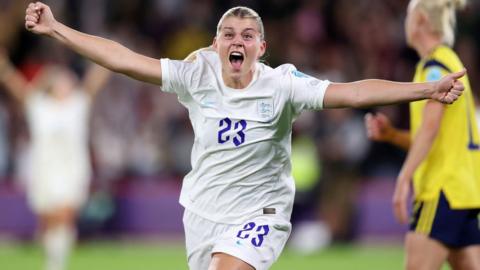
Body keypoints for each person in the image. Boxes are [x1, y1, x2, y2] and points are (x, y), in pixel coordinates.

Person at [24, 3, 466, 270]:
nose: (238, 41)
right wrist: (58, 28)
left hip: (262, 212)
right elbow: (122, 59)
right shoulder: (194, 75)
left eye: (248, 35)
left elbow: (351, 93)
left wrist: (426, 88)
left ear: (262, 48)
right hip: (202, 211)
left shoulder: (282, 85)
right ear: (216, 44)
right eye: (229, 34)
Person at [364, 0, 480, 269]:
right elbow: (432, 138)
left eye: (408, 14)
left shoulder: (434, 67)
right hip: (464, 191)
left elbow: (431, 127)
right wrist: (392, 135)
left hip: (441, 190)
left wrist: (404, 177)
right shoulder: (450, 61)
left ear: (421, 21)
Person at [0, 47, 110, 270]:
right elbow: (19, 88)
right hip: (44, 168)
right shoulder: (39, 106)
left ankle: (56, 264)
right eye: (59, 82)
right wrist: (4, 69)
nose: (64, 85)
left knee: (65, 213)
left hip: (72, 167)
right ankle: (53, 259)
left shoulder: (78, 104)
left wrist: (107, 58)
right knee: (49, 220)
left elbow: (94, 82)